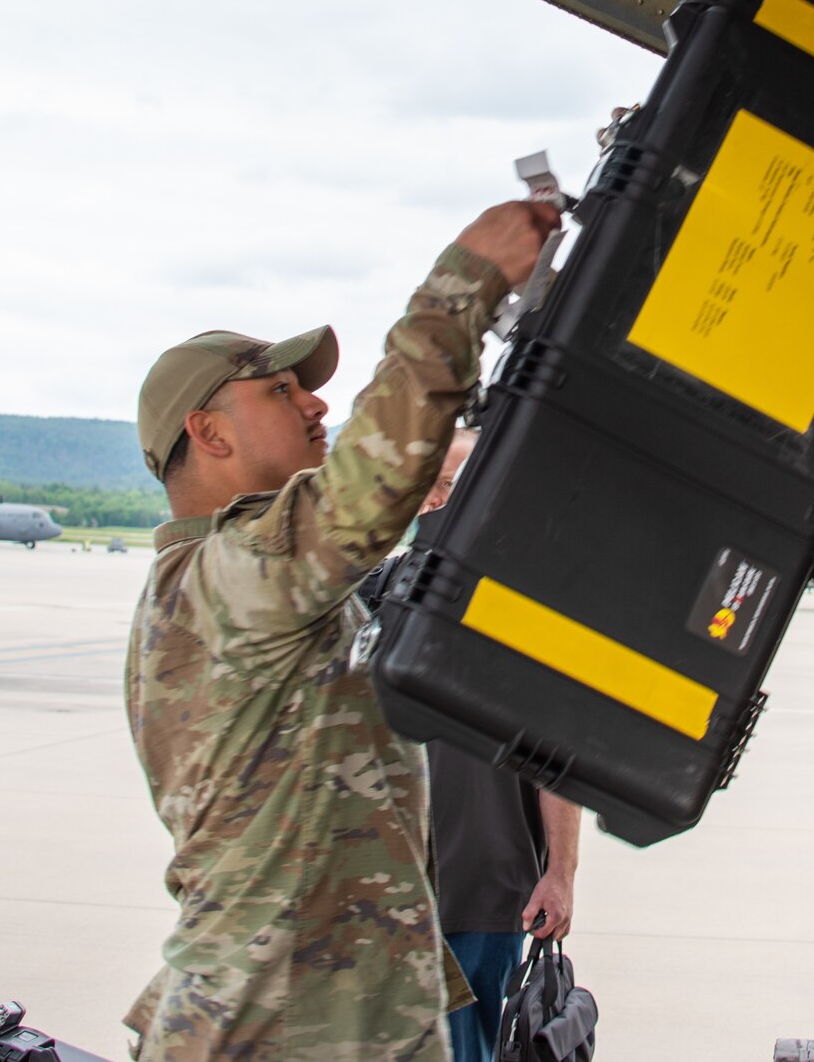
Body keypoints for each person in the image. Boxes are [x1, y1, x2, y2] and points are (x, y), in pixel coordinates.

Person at [124, 200, 559, 1062]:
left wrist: (413, 484)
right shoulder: (218, 580)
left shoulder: (261, 581)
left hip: (340, 1015)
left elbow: (368, 508)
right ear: (206, 432)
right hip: (276, 1023)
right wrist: (462, 282)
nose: (314, 401)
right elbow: (364, 489)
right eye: (280, 390)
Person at [372, 428, 584, 1062]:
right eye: (427, 485)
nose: (436, 499)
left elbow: (554, 756)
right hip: (382, 885)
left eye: (451, 484)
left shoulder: (525, 610)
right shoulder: (376, 593)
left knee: (469, 1050)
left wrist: (562, 873)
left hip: (484, 883)